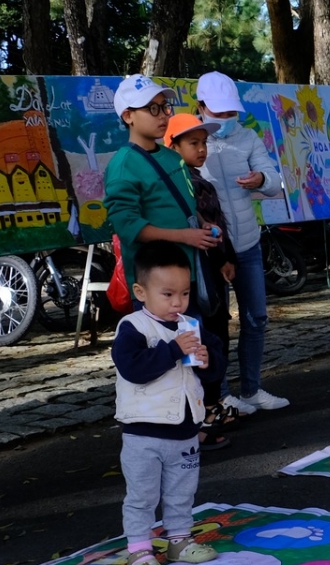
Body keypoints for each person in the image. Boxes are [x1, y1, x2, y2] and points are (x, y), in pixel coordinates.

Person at [112, 242, 222, 565]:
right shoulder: (132, 327)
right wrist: (172, 350)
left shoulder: (191, 325)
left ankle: (179, 540)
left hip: (185, 430)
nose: (178, 303)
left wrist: (207, 360)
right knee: (143, 495)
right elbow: (133, 368)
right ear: (141, 292)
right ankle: (140, 550)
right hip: (144, 433)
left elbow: (213, 369)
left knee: (181, 491)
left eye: (185, 293)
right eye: (168, 294)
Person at [194, 71, 289, 415]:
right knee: (214, 323)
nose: (225, 119)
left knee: (256, 317)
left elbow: (276, 182)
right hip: (210, 249)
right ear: (201, 107)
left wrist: (261, 179)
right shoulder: (191, 138)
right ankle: (220, 394)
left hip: (247, 242)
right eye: (218, 113)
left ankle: (251, 389)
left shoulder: (247, 137)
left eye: (230, 112)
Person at [105, 76, 222, 310]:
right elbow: (128, 226)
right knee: (165, 345)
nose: (163, 115)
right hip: (155, 285)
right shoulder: (123, 165)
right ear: (128, 116)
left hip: (187, 276)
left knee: (195, 343)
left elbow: (185, 203)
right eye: (152, 108)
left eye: (164, 107)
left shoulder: (173, 157)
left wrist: (201, 224)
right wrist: (185, 236)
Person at [160, 112, 234, 452]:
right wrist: (220, 257)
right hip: (194, 275)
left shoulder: (195, 180)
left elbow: (213, 228)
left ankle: (210, 411)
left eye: (204, 142)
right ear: (172, 145)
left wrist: (224, 258)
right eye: (193, 143)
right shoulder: (181, 182)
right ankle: (202, 418)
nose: (202, 149)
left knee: (213, 339)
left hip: (209, 273)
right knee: (204, 342)